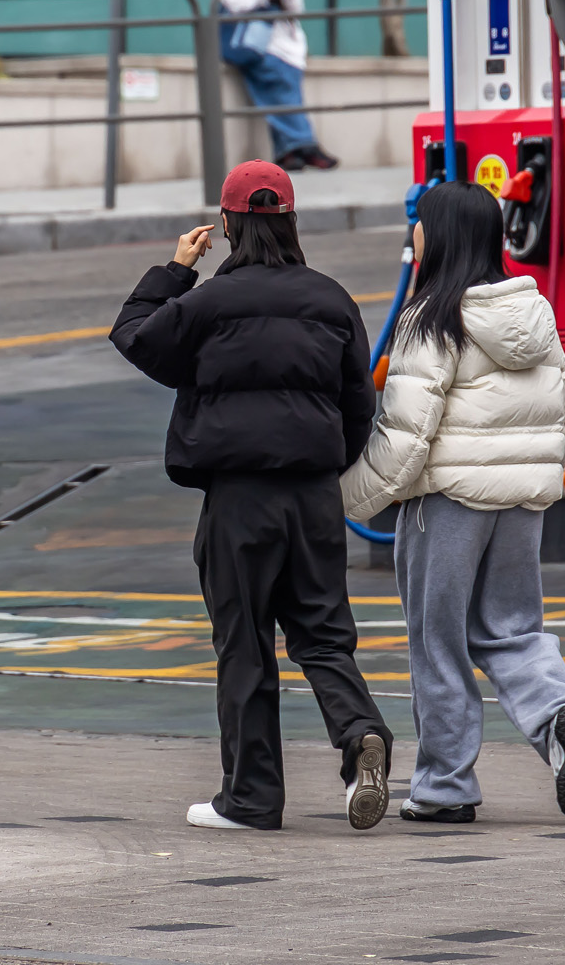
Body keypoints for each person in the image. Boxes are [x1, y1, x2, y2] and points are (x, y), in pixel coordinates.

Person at [111, 159, 392, 832]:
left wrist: (176, 270)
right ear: (291, 221)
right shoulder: (332, 300)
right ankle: (360, 733)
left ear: (228, 224)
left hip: (239, 498)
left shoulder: (208, 303)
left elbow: (134, 336)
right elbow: (359, 404)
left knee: (244, 644)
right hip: (313, 494)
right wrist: (325, 466)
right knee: (323, 635)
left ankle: (252, 798)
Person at [341, 182, 565, 824]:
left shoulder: (430, 317)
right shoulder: (533, 313)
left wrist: (347, 499)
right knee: (513, 630)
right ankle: (558, 716)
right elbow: (561, 414)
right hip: (522, 502)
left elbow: (406, 433)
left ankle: (444, 787)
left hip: (447, 503)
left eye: (420, 223)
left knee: (439, 643)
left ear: (441, 235)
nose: (414, 233)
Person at [216, 0, 338, 172]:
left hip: (281, 44)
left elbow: (296, 10)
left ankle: (288, 153)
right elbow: (232, 0)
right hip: (254, 44)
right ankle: (305, 144)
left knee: (281, 92)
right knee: (280, 86)